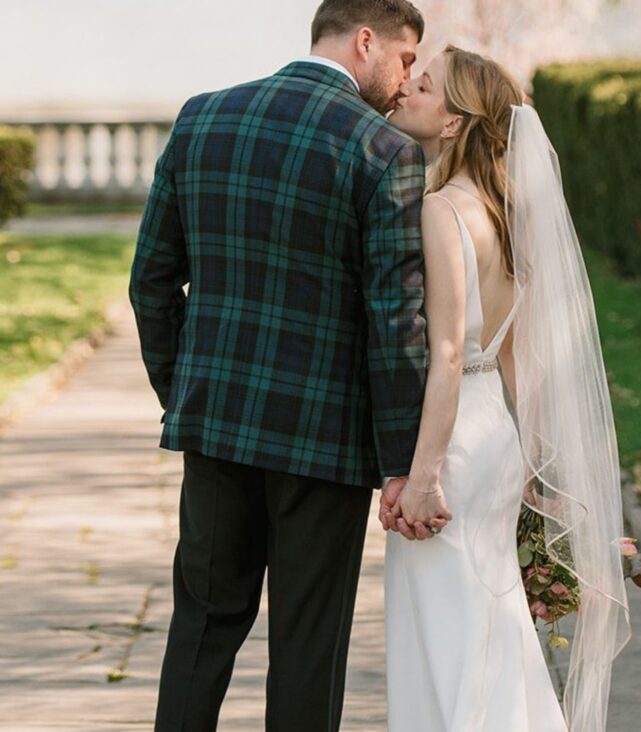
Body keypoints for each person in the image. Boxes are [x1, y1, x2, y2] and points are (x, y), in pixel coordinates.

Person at [128, 2, 432, 730]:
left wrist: (186, 393)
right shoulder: (382, 150)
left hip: (215, 427)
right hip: (323, 445)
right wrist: (403, 460)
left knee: (201, 622)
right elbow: (396, 323)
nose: (406, 79)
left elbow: (151, 283)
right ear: (366, 41)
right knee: (308, 640)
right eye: (406, 58)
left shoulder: (202, 118)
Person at [381, 46, 641, 731]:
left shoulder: (444, 210)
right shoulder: (507, 215)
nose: (406, 91)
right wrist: (533, 464)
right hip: (496, 442)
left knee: (443, 631)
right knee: (493, 625)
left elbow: (449, 353)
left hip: (451, 443)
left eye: (424, 86)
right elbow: (518, 355)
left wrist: (422, 478)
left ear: (453, 125)